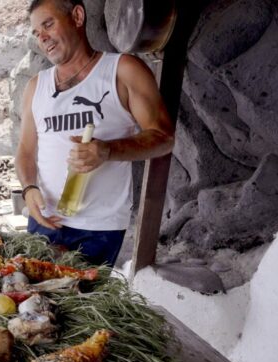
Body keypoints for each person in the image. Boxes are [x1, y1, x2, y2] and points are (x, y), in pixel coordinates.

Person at [16, 0, 174, 266]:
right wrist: (29, 188)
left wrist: (108, 150)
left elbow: (163, 138)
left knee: (85, 304)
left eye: (48, 24)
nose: (42, 37)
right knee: (35, 302)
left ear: (77, 16)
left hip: (99, 226)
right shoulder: (36, 86)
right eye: (36, 33)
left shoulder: (122, 70)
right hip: (45, 218)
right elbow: (25, 151)